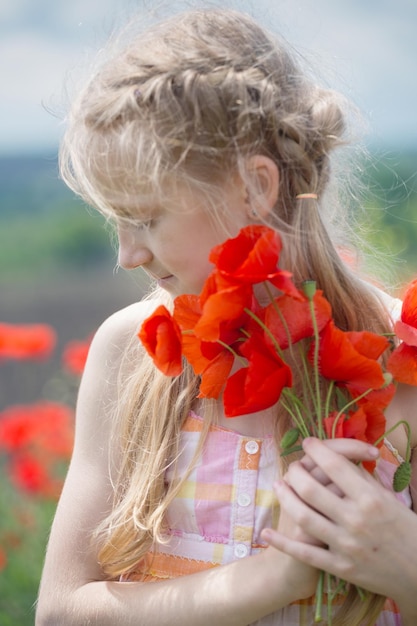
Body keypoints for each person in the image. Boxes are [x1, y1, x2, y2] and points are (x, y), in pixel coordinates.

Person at [36, 8, 417, 626]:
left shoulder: (401, 364)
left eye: (145, 216)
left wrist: (403, 560)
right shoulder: (133, 354)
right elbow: (59, 612)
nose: (127, 254)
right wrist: (268, 581)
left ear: (254, 186)